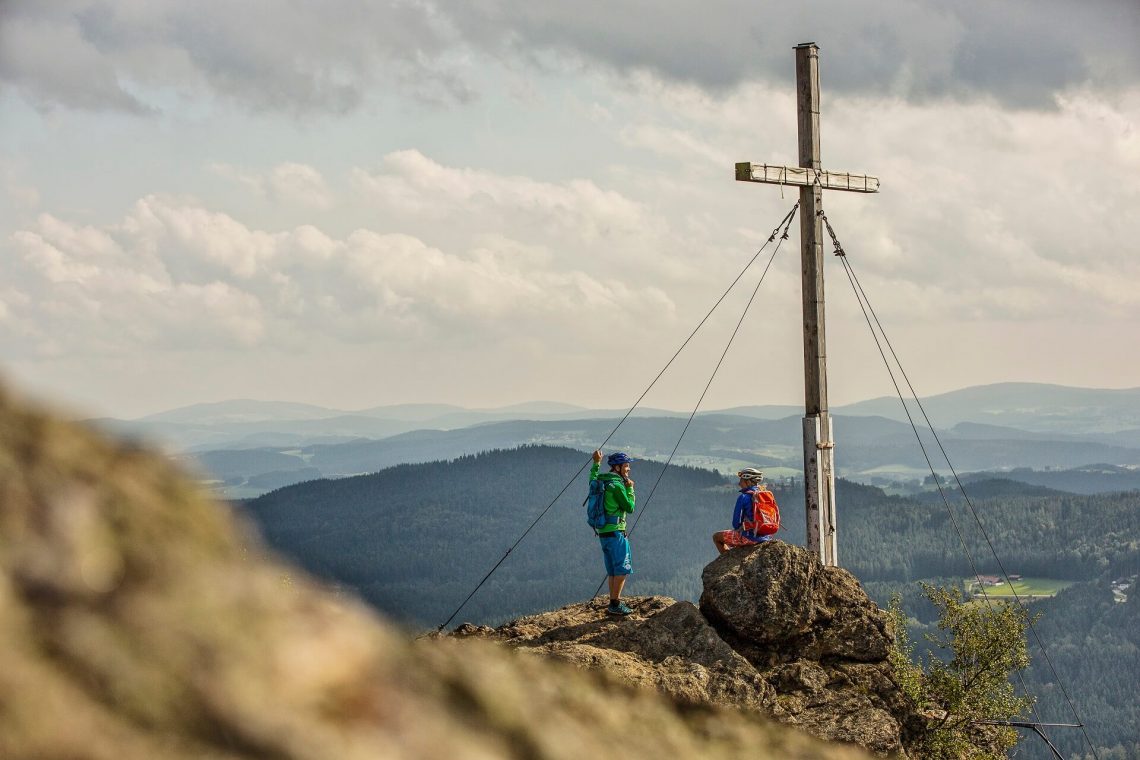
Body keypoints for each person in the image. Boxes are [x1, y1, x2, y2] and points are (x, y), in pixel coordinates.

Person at [590, 449, 636, 615]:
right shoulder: (617, 485)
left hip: (603, 532)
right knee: (622, 569)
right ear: (617, 468)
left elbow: (591, 480)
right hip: (616, 532)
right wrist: (630, 489)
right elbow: (629, 507)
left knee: (612, 570)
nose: (628, 469)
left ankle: (613, 601)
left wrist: (596, 463)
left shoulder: (602, 481)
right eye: (626, 466)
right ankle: (615, 604)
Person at [713, 467, 774, 554]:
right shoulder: (765, 495)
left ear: (748, 482)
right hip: (766, 537)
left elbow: (735, 523)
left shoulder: (743, 497)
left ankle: (728, 560)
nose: (739, 483)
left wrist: (741, 529)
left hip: (749, 538)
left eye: (741, 480)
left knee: (716, 537)